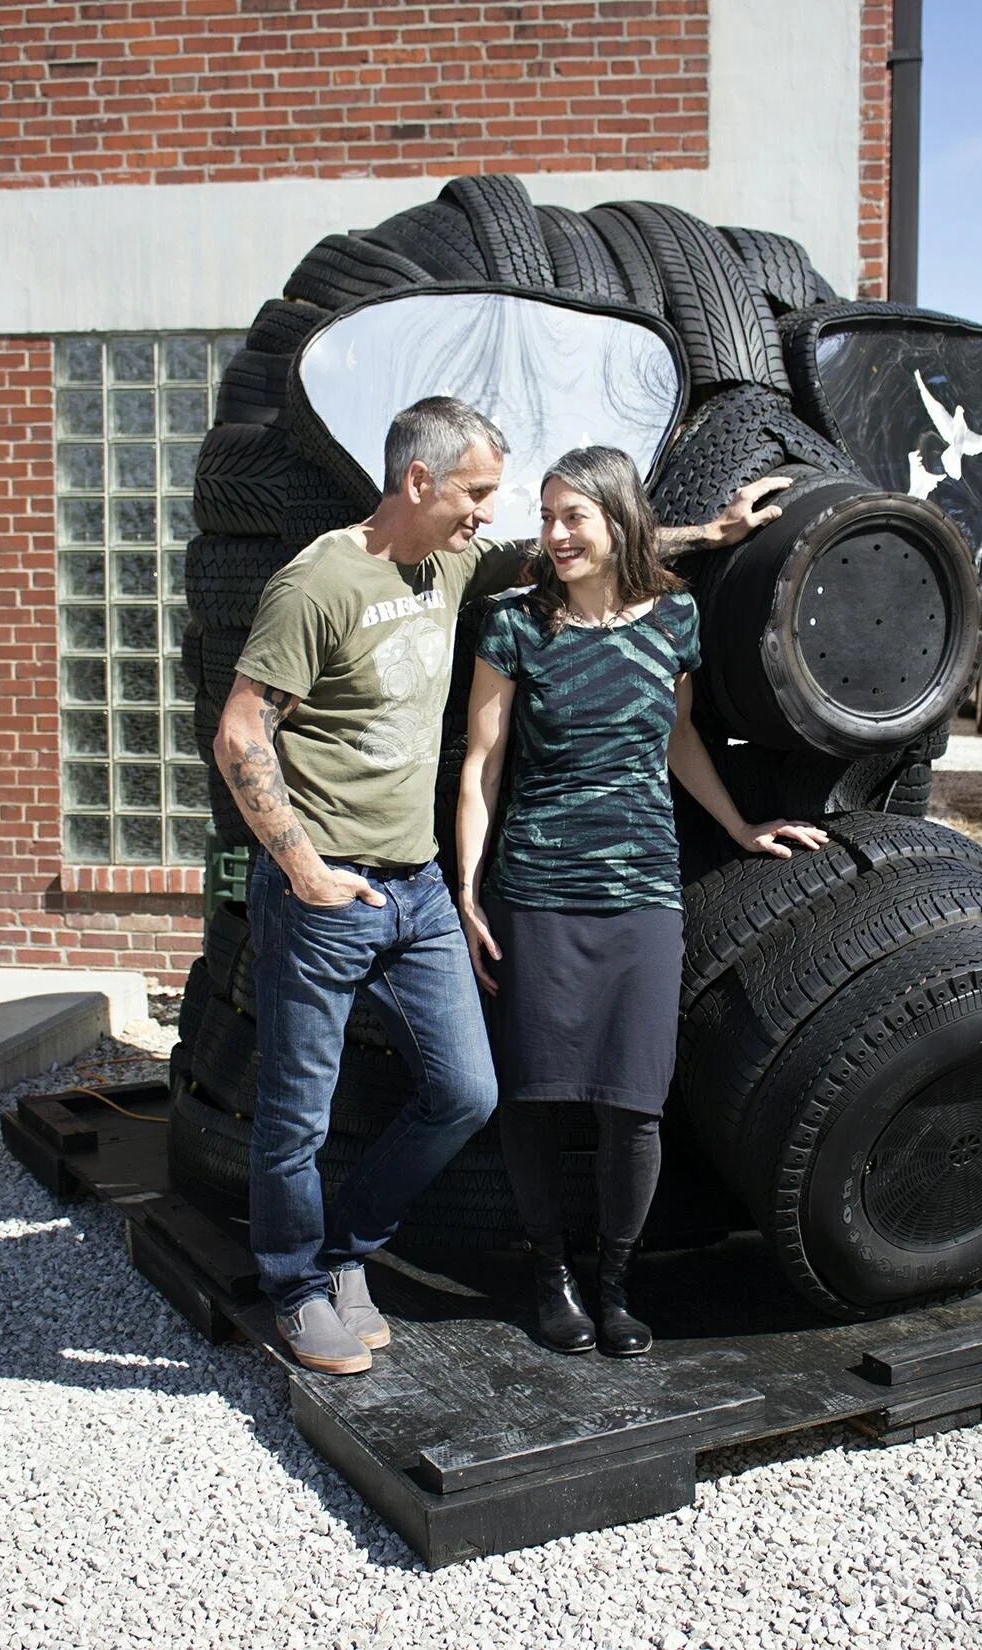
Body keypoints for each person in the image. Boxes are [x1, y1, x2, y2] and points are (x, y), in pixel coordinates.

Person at [214, 399, 782, 1377]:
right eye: (479, 494)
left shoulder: (452, 562)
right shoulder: (317, 582)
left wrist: (717, 533)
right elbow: (239, 735)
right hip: (328, 891)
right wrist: (306, 872)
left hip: (421, 888)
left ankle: (345, 1252)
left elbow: (596, 542)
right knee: (298, 1114)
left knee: (466, 1092)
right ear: (420, 483)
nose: (498, 516)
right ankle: (297, 1287)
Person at [456, 446, 827, 1358]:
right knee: (537, 1099)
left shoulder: (674, 620)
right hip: (538, 892)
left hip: (645, 896)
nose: (553, 534)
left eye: (572, 516)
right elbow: (481, 766)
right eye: (545, 517)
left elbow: (679, 739)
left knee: (635, 1105)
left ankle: (615, 1285)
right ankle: (552, 1280)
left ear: (618, 520)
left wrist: (740, 829)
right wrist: (467, 888)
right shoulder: (513, 624)